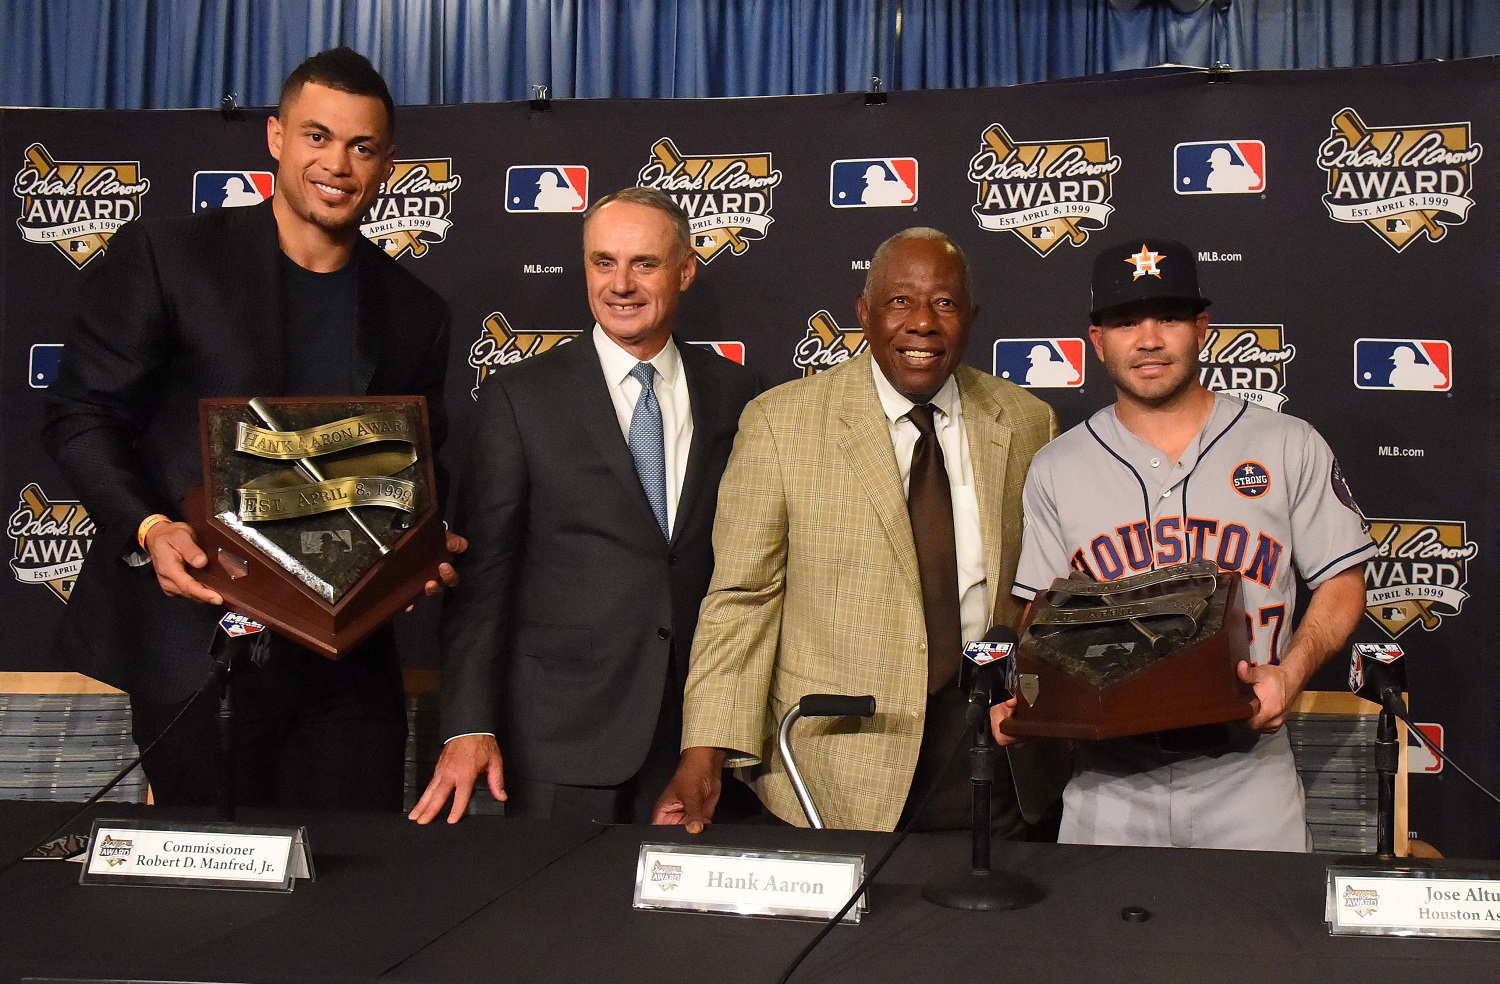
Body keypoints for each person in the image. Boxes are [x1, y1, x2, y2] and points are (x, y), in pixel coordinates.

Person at [43, 47, 460, 812]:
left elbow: (418, 469)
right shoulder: (172, 257)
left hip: (348, 666)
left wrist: (420, 552)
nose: (337, 163)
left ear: (388, 164)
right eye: (317, 136)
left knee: (351, 888)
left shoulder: (416, 313)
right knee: (210, 901)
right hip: (197, 646)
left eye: (361, 146)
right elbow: (84, 414)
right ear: (275, 137)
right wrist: (149, 528)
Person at [654, 227, 1068, 833]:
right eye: (900, 301)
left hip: (987, 755)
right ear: (864, 313)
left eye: (944, 303)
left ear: (972, 317)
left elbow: (1043, 590)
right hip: (833, 766)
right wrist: (704, 752)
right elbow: (743, 599)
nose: (922, 322)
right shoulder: (782, 424)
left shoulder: (1028, 420)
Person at [998, 238, 1375, 851]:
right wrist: (1027, 700)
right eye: (1125, 321)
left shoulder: (1288, 443)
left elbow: (1342, 582)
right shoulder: (1056, 467)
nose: (1148, 339)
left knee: (1259, 946)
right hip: (1106, 778)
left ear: (1202, 328)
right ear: (1097, 340)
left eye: (1168, 316)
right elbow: (1038, 614)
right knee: (1101, 947)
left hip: (1249, 771)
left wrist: (1294, 671)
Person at [411, 187, 760, 825]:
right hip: (559, 740)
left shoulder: (742, 395)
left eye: (645, 264)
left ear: (685, 270)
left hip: (698, 738)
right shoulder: (521, 399)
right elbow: (481, 578)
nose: (620, 284)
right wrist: (465, 725)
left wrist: (714, 734)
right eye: (603, 262)